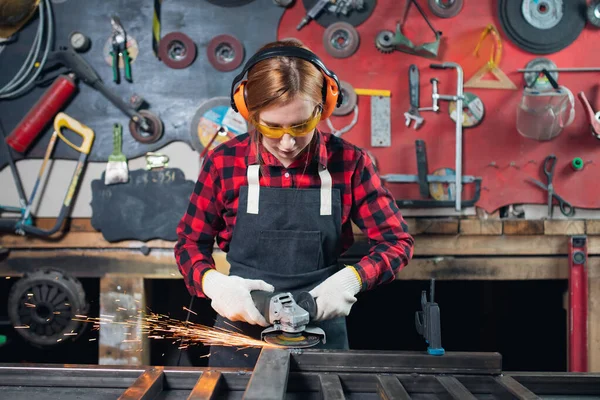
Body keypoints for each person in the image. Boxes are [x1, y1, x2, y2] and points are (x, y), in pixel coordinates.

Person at [174, 39, 415, 368]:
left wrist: (351, 281)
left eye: (301, 126)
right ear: (250, 112)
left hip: (321, 328)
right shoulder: (223, 163)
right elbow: (189, 243)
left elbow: (396, 242)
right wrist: (213, 283)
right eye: (271, 127)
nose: (287, 143)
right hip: (241, 331)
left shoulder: (350, 162)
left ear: (323, 108)